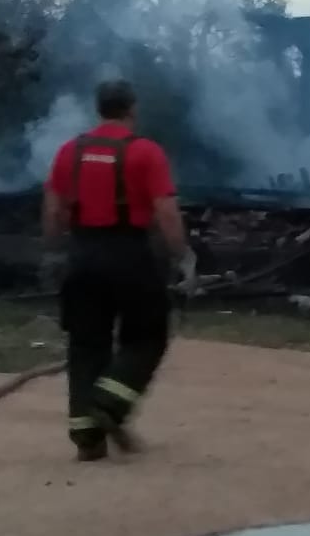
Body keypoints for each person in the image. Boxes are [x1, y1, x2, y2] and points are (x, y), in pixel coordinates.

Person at [42, 80, 196, 462]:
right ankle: (108, 404)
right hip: (129, 255)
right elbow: (166, 213)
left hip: (82, 254)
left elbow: (54, 210)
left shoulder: (69, 152)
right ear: (132, 108)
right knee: (147, 336)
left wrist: (55, 252)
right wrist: (182, 256)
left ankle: (87, 438)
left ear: (99, 108)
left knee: (85, 344)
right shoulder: (145, 152)